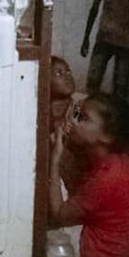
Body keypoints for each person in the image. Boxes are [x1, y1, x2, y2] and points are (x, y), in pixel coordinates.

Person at [49, 92, 129, 257]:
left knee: (46, 173)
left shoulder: (107, 177)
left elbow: (59, 214)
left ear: (106, 137)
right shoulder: (112, 158)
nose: (74, 120)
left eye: (83, 118)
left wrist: (54, 159)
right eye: (77, 113)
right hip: (102, 251)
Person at [49, 55, 85, 194]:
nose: (68, 77)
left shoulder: (79, 106)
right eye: (59, 73)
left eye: (68, 71)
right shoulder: (39, 108)